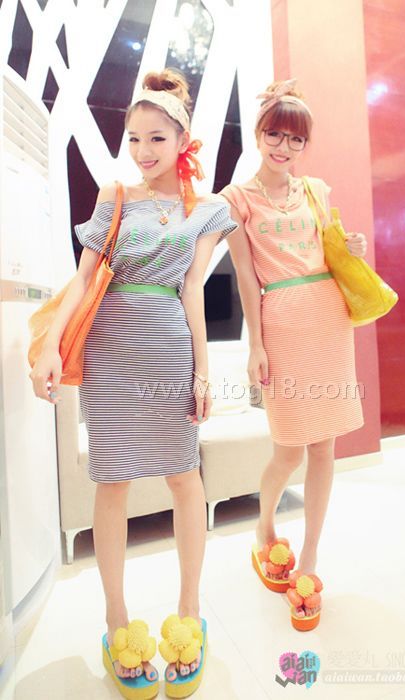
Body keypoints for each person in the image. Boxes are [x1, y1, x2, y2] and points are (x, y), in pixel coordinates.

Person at [30, 68, 237, 698]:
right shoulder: (114, 195)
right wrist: (49, 345)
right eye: (135, 139)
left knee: (184, 476)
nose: (143, 151)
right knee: (112, 480)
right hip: (110, 349)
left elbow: (193, 289)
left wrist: (204, 372)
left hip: (168, 347)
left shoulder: (207, 209)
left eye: (156, 139)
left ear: (183, 141)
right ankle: (116, 620)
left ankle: (190, 610)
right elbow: (83, 277)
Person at [221, 78, 366, 629]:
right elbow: (245, 275)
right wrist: (255, 345)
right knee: (287, 450)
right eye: (275, 135)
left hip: (328, 320)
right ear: (259, 134)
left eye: (296, 139)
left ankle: (309, 559)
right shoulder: (236, 199)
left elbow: (331, 251)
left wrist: (352, 247)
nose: (284, 147)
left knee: (325, 449)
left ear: (306, 145)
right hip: (280, 322)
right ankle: (264, 527)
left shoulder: (316, 190)